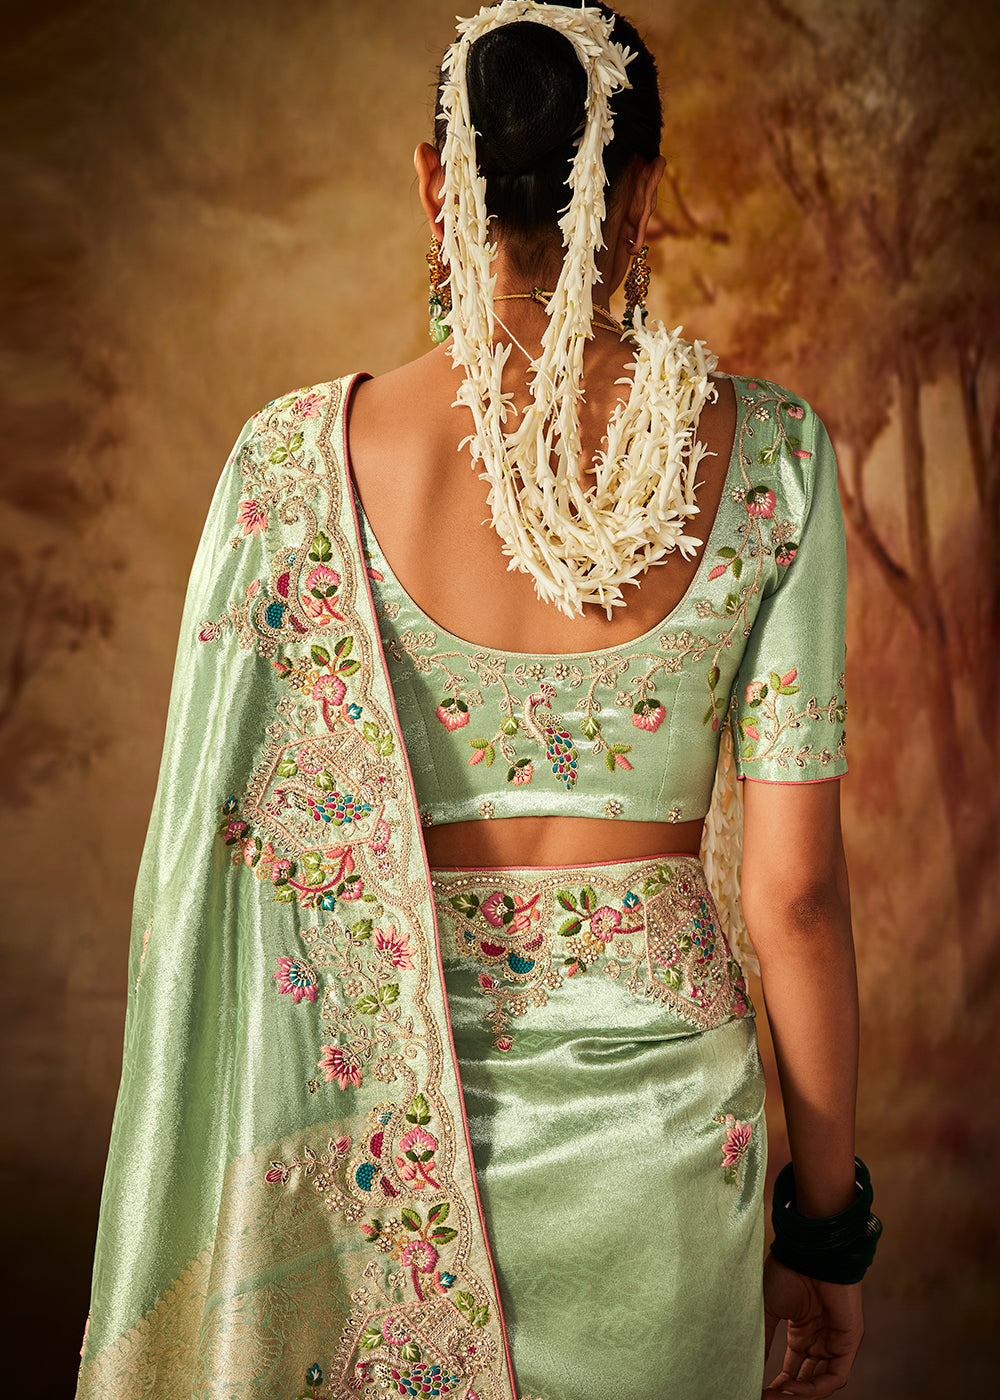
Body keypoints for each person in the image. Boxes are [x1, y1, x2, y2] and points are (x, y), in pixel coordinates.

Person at [76, 4, 880, 1399]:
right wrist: (825, 1231)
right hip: (662, 1174)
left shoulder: (296, 467)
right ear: (638, 192)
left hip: (371, 1168)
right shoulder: (772, 461)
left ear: (433, 182)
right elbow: (795, 902)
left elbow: (211, 878)